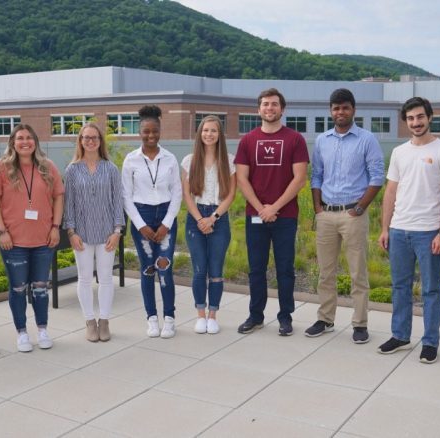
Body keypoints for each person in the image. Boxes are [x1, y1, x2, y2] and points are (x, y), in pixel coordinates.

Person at [377, 97, 440, 363]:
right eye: (411, 118)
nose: (416, 122)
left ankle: (430, 342)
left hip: (428, 233)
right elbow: (390, 192)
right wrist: (385, 228)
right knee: (399, 287)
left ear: (430, 117)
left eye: (420, 117)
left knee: (431, 289)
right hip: (399, 230)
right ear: (406, 121)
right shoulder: (400, 152)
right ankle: (400, 336)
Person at [308, 88, 384, 343]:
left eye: (345, 108)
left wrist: (360, 208)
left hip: (353, 214)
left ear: (353, 110)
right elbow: (316, 175)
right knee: (325, 273)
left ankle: (360, 324)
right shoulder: (322, 140)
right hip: (326, 214)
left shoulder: (367, 139)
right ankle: (325, 319)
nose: (340, 112)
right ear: (330, 111)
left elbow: (376, 177)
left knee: (357, 273)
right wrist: (317, 207)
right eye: (336, 108)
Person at [235, 88, 309, 336]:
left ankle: (285, 317)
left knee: (284, 268)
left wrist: (274, 208)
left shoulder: (295, 139)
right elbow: (242, 179)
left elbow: (299, 179)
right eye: (265, 104)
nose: (270, 108)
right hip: (255, 214)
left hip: (285, 216)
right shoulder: (247, 140)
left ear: (282, 109)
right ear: (259, 109)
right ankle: (255, 316)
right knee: (256, 267)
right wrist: (261, 209)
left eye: (274, 104)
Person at [0, 124, 64, 352]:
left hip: (43, 240)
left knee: (40, 287)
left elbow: (59, 197)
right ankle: (21, 332)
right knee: (18, 288)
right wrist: (2, 231)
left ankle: (42, 329)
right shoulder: (0, 169)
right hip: (14, 241)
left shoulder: (47, 166)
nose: (25, 142)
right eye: (20, 138)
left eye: (29, 137)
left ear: (35, 142)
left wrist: (55, 227)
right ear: (12, 142)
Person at [122, 105, 182, 339]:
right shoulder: (131, 160)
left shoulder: (170, 158)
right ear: (140, 132)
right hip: (142, 216)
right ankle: (152, 318)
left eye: (154, 131)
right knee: (148, 269)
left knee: (164, 268)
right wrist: (140, 225)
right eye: (146, 131)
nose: (150, 136)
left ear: (160, 131)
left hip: (166, 214)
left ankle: (169, 318)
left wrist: (167, 223)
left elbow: (177, 192)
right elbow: (126, 196)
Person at [64, 123, 124, 342]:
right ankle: (90, 321)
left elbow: (118, 202)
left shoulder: (111, 168)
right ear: (80, 141)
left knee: (106, 278)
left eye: (94, 137)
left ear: (100, 141)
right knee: (85, 278)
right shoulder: (72, 170)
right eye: (86, 137)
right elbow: (68, 203)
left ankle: (104, 321)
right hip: (81, 233)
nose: (90, 141)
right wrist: (71, 232)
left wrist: (117, 231)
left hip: (107, 232)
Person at [181, 115, 236, 335]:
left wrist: (212, 218)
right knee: (199, 270)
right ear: (199, 133)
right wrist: (200, 219)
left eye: (213, 131)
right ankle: (200, 315)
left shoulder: (229, 161)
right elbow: (186, 195)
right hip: (195, 218)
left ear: (219, 135)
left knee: (215, 270)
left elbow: (231, 195)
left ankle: (213, 315)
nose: (209, 134)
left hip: (218, 217)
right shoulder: (189, 160)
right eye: (205, 130)